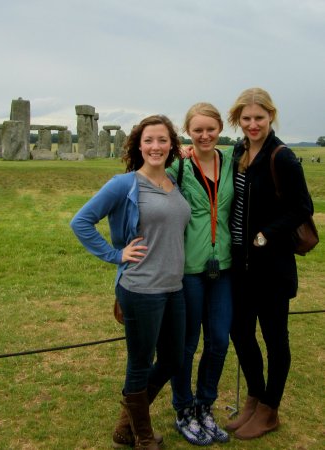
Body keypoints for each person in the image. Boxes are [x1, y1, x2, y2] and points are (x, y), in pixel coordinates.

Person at [70, 115, 191, 449]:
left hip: (174, 287)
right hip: (140, 288)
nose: (156, 146)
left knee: (173, 359)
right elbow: (81, 221)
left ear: (172, 145)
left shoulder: (173, 182)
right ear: (138, 145)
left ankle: (126, 425)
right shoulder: (124, 184)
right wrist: (115, 254)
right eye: (148, 140)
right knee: (140, 362)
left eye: (162, 140)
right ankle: (143, 436)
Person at [225, 87, 313, 440]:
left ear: (270, 116)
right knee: (240, 332)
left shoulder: (282, 157)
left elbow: (302, 208)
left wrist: (266, 234)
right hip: (240, 265)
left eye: (259, 118)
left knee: (275, 338)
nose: (253, 124)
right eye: (246, 118)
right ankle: (255, 397)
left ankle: (270, 409)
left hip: (272, 265)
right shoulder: (238, 151)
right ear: (237, 119)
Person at [166, 103, 234, 446]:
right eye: (198, 130)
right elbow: (143, 177)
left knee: (219, 340)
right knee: (186, 343)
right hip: (188, 269)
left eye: (211, 129)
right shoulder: (177, 167)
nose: (205, 135)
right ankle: (183, 409)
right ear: (187, 132)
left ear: (220, 128)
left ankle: (204, 405)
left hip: (223, 267)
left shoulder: (232, 162)